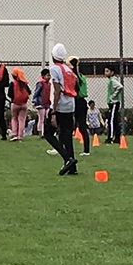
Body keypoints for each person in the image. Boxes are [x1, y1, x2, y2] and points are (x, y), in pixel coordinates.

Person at [44, 44, 81, 175]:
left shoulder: (55, 69)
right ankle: (72, 168)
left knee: (48, 133)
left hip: (61, 104)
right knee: (67, 136)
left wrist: (53, 111)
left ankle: (67, 158)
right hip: (71, 104)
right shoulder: (68, 69)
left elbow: (57, 91)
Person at [6, 65, 30, 141]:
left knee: (14, 118)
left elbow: (9, 94)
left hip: (15, 103)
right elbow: (29, 92)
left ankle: (14, 134)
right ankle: (20, 136)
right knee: (22, 120)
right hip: (24, 104)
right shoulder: (24, 84)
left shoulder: (12, 84)